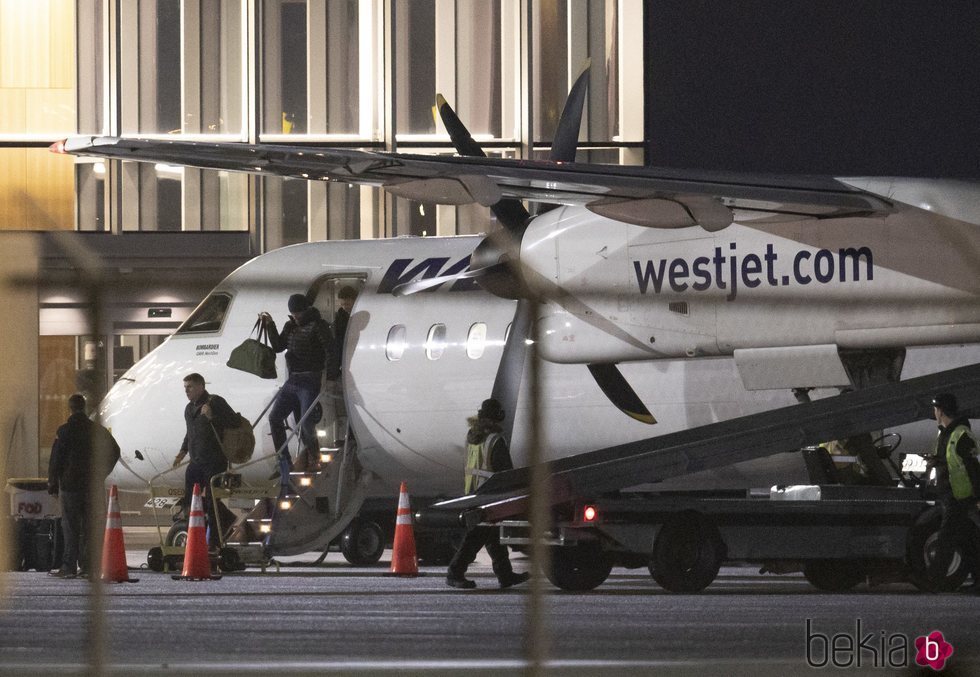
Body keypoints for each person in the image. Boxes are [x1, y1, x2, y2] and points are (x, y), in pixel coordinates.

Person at [446, 398, 530, 590]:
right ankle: (455, 572)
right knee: (476, 536)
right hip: (490, 495)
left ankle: (505, 575)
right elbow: (505, 472)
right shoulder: (495, 440)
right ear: (498, 417)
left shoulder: (471, 436)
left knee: (492, 536)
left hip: (474, 492)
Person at [260, 293, 337, 471]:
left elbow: (331, 350)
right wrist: (270, 325)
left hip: (310, 378)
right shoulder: (290, 325)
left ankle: (315, 456)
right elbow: (278, 346)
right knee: (275, 417)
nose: (296, 317)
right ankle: (284, 461)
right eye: (293, 314)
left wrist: (331, 377)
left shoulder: (318, 325)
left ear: (306, 310)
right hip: (293, 378)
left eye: (298, 313)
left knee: (305, 422)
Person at [47, 394, 120, 578]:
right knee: (90, 527)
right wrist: (102, 473)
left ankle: (68, 567)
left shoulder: (64, 431)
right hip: (91, 486)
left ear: (69, 409)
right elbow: (114, 451)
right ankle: (88, 567)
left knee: (70, 527)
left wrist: (53, 482)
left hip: (70, 486)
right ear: (84, 407)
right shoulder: (97, 430)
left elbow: (56, 459)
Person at [172, 373, 235, 549]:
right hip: (196, 461)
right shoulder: (189, 408)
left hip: (215, 460)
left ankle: (214, 541)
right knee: (189, 499)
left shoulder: (215, 402)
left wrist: (212, 417)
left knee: (212, 501)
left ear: (201, 386)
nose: (186, 391)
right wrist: (182, 451)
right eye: (185, 387)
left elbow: (233, 422)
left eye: (190, 387)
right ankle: (205, 527)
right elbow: (190, 432)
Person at [927, 392, 980, 592]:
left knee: (946, 539)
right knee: (968, 540)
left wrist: (978, 497)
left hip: (960, 497)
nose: (934, 413)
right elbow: (949, 460)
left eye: (935, 409)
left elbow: (973, 468)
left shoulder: (961, 434)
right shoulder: (945, 433)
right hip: (951, 495)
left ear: (940, 411)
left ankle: (933, 581)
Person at [329, 285, 358, 443]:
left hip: (353, 364)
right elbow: (338, 344)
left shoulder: (356, 317)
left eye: (348, 304)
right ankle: (350, 435)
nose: (345, 307)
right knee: (348, 403)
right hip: (345, 365)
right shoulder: (341, 318)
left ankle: (353, 436)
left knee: (352, 402)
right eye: (343, 304)